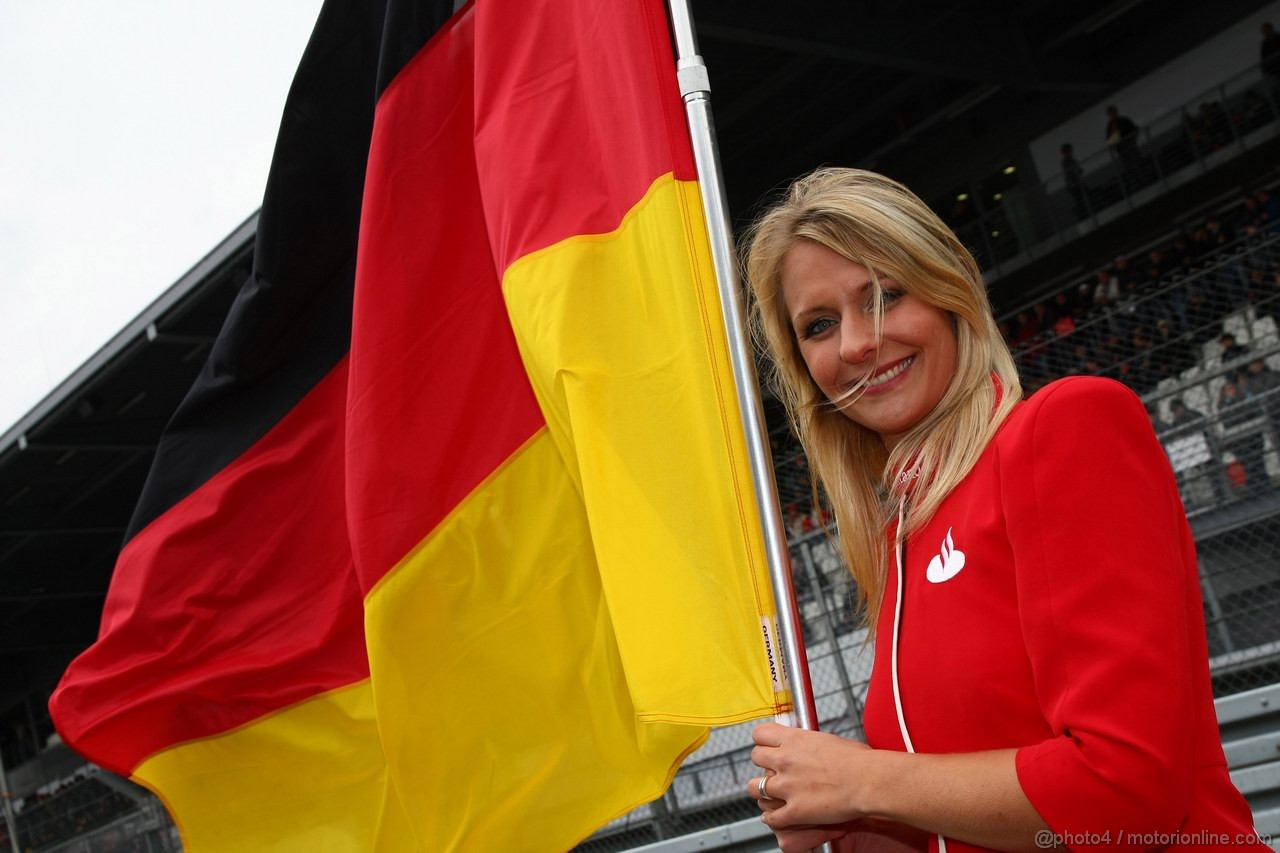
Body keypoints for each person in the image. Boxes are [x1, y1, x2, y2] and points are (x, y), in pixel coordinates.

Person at [740, 168, 1263, 852]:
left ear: (948, 288)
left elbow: (1129, 793)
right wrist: (843, 824)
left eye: (886, 295)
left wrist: (865, 781)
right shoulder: (902, 534)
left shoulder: (1064, 427)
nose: (856, 344)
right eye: (818, 325)